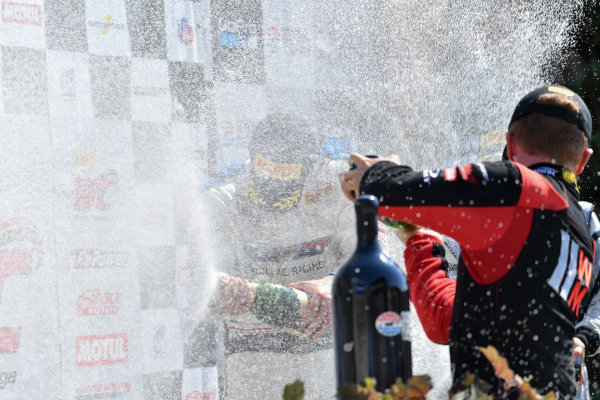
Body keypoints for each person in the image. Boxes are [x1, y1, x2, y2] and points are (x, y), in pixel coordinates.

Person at [338, 85, 595, 397]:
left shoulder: (515, 188)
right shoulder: (582, 230)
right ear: (583, 161)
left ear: (510, 146)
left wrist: (377, 174)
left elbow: (398, 193)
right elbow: (445, 319)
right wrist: (416, 237)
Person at [195, 113, 365, 399]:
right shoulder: (223, 198)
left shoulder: (341, 183)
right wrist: (219, 296)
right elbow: (201, 291)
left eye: (285, 176)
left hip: (332, 357)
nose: (273, 189)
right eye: (265, 174)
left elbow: (378, 261)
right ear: (252, 158)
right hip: (255, 364)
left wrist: (333, 283)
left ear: (310, 163)